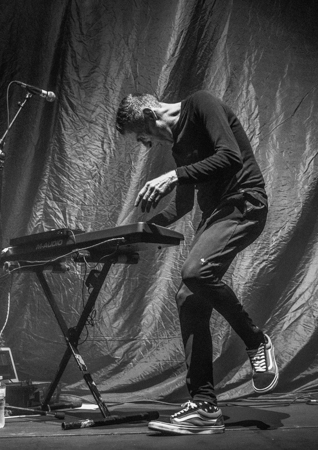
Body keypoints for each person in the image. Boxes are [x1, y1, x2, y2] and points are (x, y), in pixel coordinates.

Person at [115, 90, 278, 436]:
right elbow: (183, 205)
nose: (148, 144)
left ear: (149, 115)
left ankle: (255, 341)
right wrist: (141, 231)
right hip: (216, 215)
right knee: (188, 298)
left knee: (195, 272)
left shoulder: (201, 104)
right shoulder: (178, 148)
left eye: (143, 136)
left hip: (244, 202)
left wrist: (173, 176)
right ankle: (205, 407)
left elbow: (230, 156)